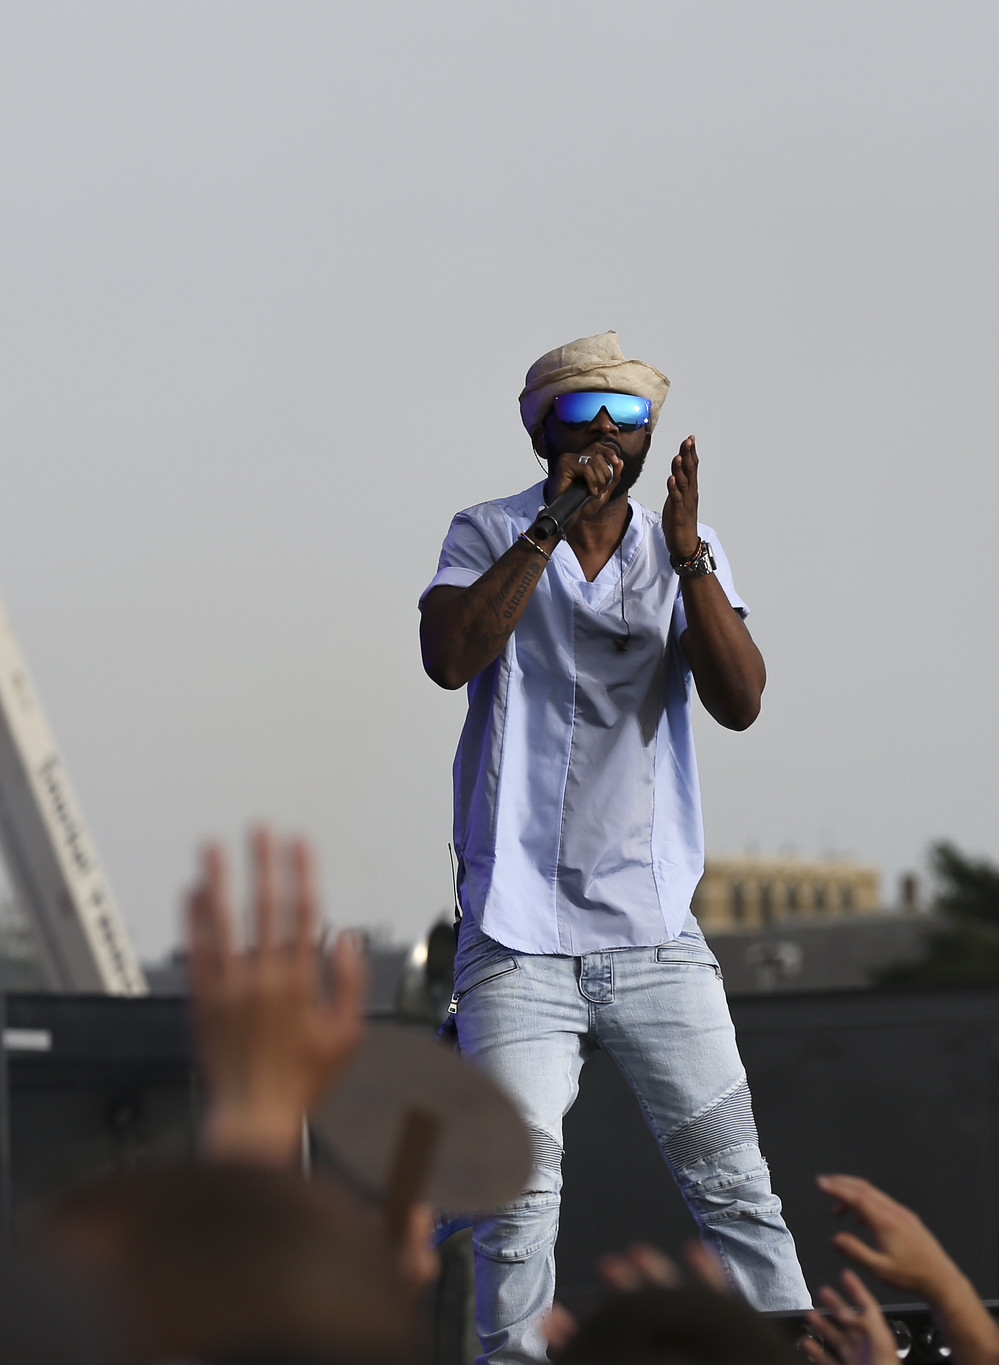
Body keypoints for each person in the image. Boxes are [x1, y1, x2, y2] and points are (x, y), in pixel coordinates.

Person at [419, 331, 805, 1362]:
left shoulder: (690, 546)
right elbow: (450, 657)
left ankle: (790, 1350)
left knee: (735, 1183)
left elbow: (741, 701)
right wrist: (551, 524)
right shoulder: (488, 531)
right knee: (515, 1197)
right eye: (584, 412)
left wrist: (687, 560)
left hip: (652, 935)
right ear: (542, 426)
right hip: (516, 942)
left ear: (647, 439)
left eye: (626, 417)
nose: (605, 432)